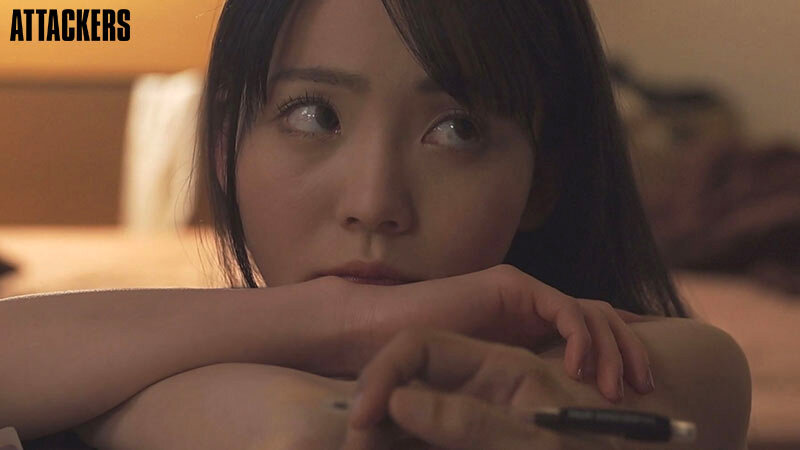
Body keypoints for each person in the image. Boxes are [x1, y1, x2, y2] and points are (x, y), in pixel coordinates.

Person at [0, 0, 751, 449]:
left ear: (540, 181)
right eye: (314, 116)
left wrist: (93, 407)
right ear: (226, 146)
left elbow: (313, 431)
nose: (373, 201)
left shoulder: (662, 365)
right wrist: (349, 318)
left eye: (456, 129)